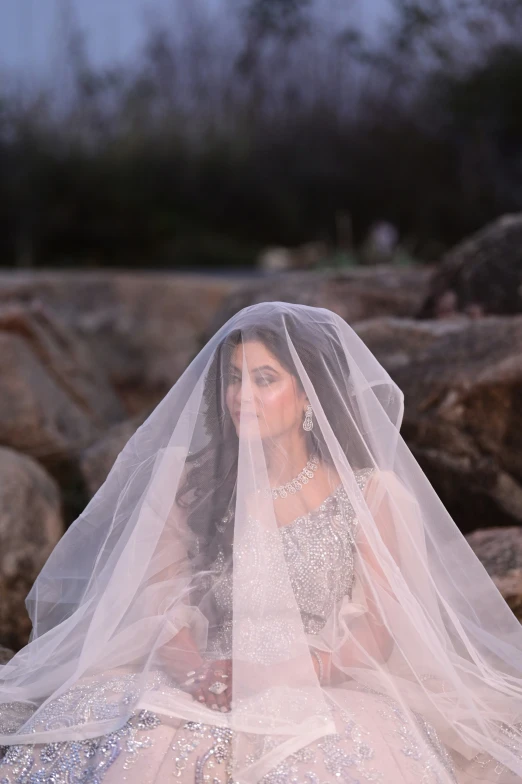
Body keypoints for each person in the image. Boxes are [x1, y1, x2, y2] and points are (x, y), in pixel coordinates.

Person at [1, 301, 522, 784]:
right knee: (150, 742)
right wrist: (197, 671)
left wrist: (294, 673)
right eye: (234, 379)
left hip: (324, 685)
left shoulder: (369, 495)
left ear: (307, 396)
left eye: (264, 379)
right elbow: (158, 598)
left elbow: (379, 626)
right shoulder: (189, 483)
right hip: (204, 678)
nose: (240, 396)